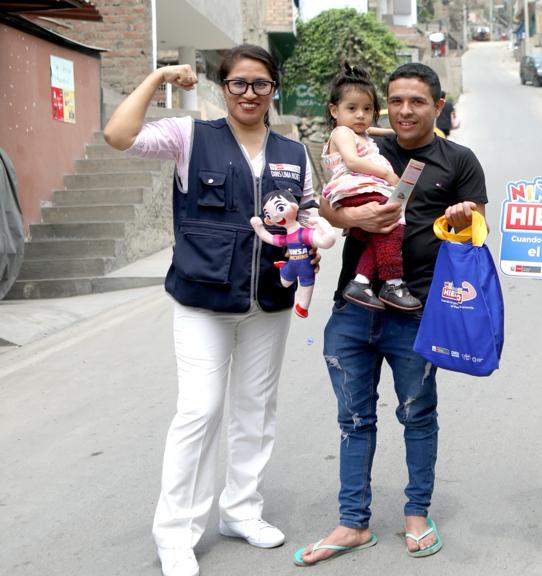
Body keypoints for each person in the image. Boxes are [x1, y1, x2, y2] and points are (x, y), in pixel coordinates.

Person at [103, 44, 318, 576]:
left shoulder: (293, 151)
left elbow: (308, 210)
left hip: (269, 300)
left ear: (275, 90)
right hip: (202, 300)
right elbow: (118, 136)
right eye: (239, 84)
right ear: (224, 88)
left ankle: (241, 512)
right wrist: (156, 77)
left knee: (255, 411)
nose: (249, 94)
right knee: (199, 411)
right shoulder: (188, 137)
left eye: (261, 84)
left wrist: (313, 236)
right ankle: (176, 533)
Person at [293, 62, 488, 566]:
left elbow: (480, 234)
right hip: (353, 309)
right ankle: (352, 522)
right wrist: (350, 216)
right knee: (353, 419)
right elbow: (327, 206)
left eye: (417, 101)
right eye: (395, 100)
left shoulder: (458, 160)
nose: (405, 110)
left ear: (438, 106)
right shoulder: (361, 145)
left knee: (418, 415)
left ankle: (417, 514)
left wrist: (466, 220)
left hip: (416, 311)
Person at [321, 66, 422, 311]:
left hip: (361, 189)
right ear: (335, 110)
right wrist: (388, 174)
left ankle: (361, 282)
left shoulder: (360, 131)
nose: (360, 115)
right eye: (352, 108)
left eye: (367, 109)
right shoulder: (342, 132)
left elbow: (378, 130)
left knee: (376, 238)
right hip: (356, 188)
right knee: (393, 223)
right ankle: (392, 282)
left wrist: (400, 129)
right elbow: (353, 161)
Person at [250, 190, 337, 318]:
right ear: (268, 220)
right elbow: (269, 238)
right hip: (291, 265)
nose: (274, 214)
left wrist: (321, 222)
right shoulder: (285, 238)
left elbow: (328, 240)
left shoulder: (305, 233)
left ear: (294, 206)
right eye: (268, 214)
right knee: (284, 282)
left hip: (306, 267)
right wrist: (259, 228)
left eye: (280, 207)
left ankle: (303, 307)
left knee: (307, 283)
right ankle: (283, 267)